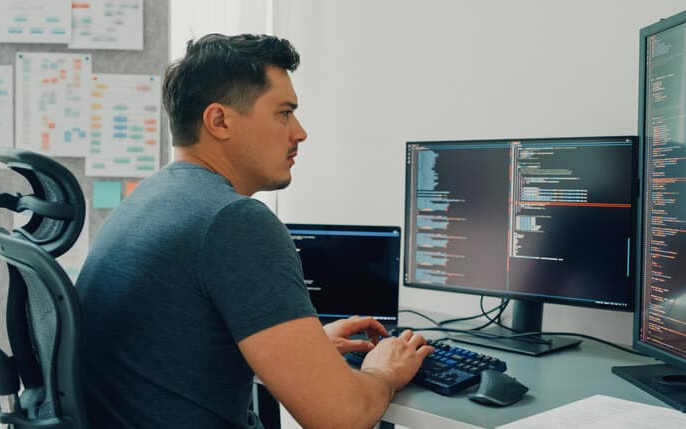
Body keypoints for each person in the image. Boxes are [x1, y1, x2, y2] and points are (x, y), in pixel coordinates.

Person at [76, 33, 435, 429]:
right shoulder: (234, 221)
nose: (299, 132)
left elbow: (172, 351)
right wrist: (383, 370)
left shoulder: (152, 197)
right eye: (284, 112)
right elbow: (342, 417)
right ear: (220, 121)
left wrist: (301, 347)